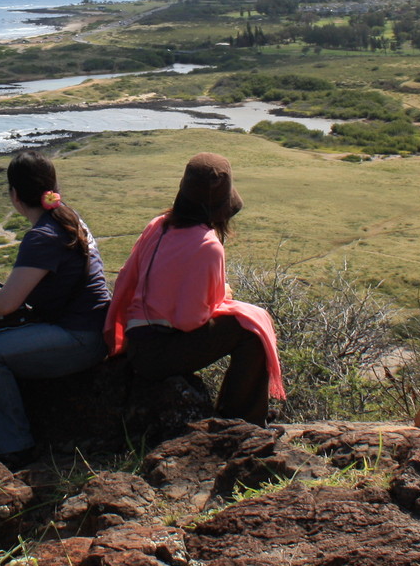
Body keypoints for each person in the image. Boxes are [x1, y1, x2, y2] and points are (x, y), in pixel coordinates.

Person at [0, 150, 110, 466]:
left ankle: (12, 445)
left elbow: (7, 303)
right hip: (85, 327)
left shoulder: (43, 235)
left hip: (80, 337)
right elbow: (23, 289)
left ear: (14, 195)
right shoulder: (66, 218)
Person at [105, 153, 285, 424]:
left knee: (248, 321)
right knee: (252, 330)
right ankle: (241, 422)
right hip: (159, 354)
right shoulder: (208, 245)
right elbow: (190, 320)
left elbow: (128, 279)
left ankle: (236, 420)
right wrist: (224, 296)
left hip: (138, 345)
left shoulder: (158, 225)